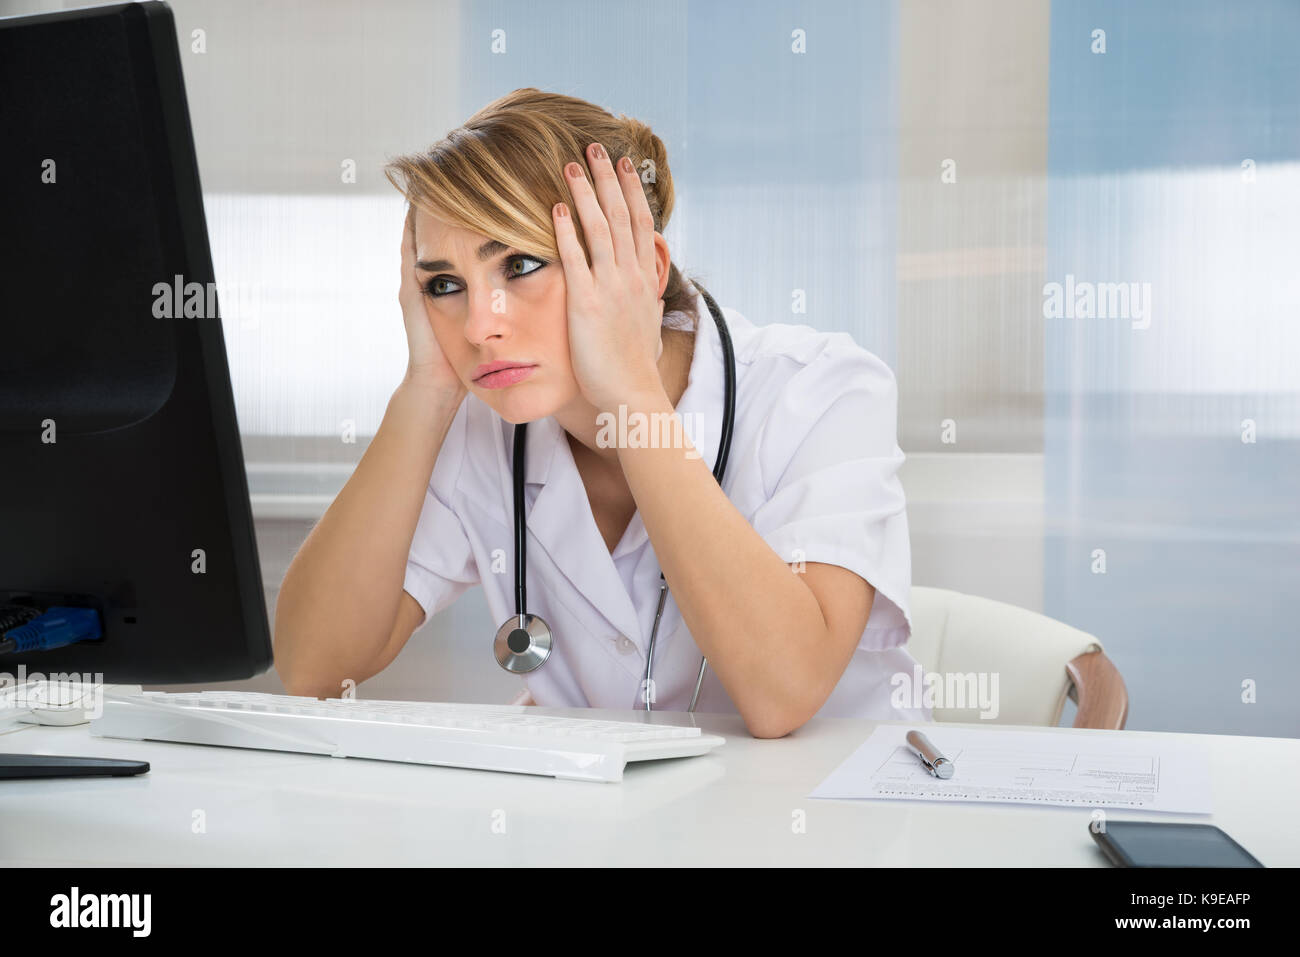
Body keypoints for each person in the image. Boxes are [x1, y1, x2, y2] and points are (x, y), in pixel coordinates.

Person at [274, 88, 931, 737]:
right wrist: (424, 388)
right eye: (445, 285)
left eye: (521, 264)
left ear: (641, 268)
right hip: (622, 830)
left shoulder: (824, 393)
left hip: (838, 827)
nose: (478, 325)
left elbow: (783, 693)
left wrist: (631, 395)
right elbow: (315, 666)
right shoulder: (483, 425)